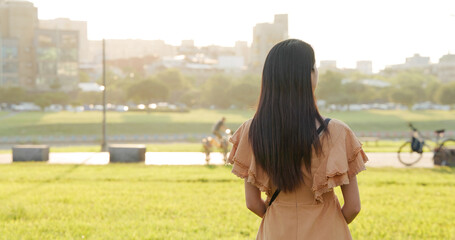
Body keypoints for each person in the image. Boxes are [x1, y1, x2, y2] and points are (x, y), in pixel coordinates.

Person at [227, 39, 368, 239]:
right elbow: (353, 207)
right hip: (328, 230)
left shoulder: (251, 130)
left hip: (276, 230)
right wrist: (329, 223)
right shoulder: (337, 132)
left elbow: (252, 203)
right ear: (308, 75)